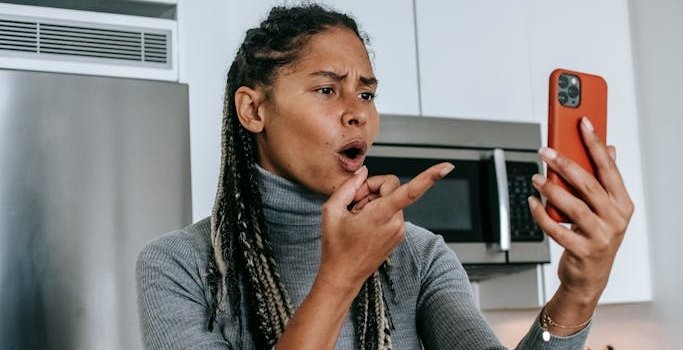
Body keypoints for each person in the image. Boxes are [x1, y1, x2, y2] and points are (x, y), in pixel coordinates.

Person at [136, 4, 634, 350]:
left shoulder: (419, 255)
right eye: (327, 90)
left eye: (367, 94)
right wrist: (340, 277)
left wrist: (578, 293)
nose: (358, 113)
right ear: (253, 110)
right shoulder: (180, 267)